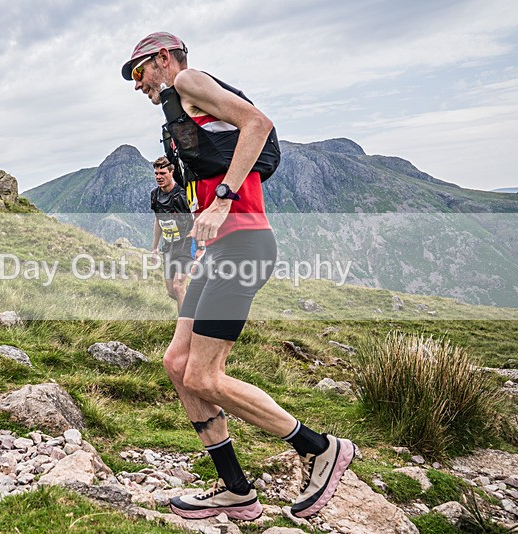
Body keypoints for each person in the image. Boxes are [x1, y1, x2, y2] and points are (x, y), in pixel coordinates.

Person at [123, 32, 355, 520]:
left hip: (244, 244)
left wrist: (224, 198)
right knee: (177, 364)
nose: (137, 83)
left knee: (205, 375)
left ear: (162, 59)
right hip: (218, 251)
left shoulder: (187, 80)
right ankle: (236, 489)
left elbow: (258, 122)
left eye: (139, 71)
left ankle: (320, 447)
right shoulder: (177, 106)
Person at [150, 156, 195, 312]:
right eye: (156, 173)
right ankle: (198, 308)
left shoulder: (182, 195)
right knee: (171, 292)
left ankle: (185, 329)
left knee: (178, 285)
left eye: (162, 173)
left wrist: (199, 243)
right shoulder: (155, 195)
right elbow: (158, 221)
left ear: (171, 172)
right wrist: (154, 248)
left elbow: (197, 217)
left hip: (186, 244)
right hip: (168, 246)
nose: (158, 177)